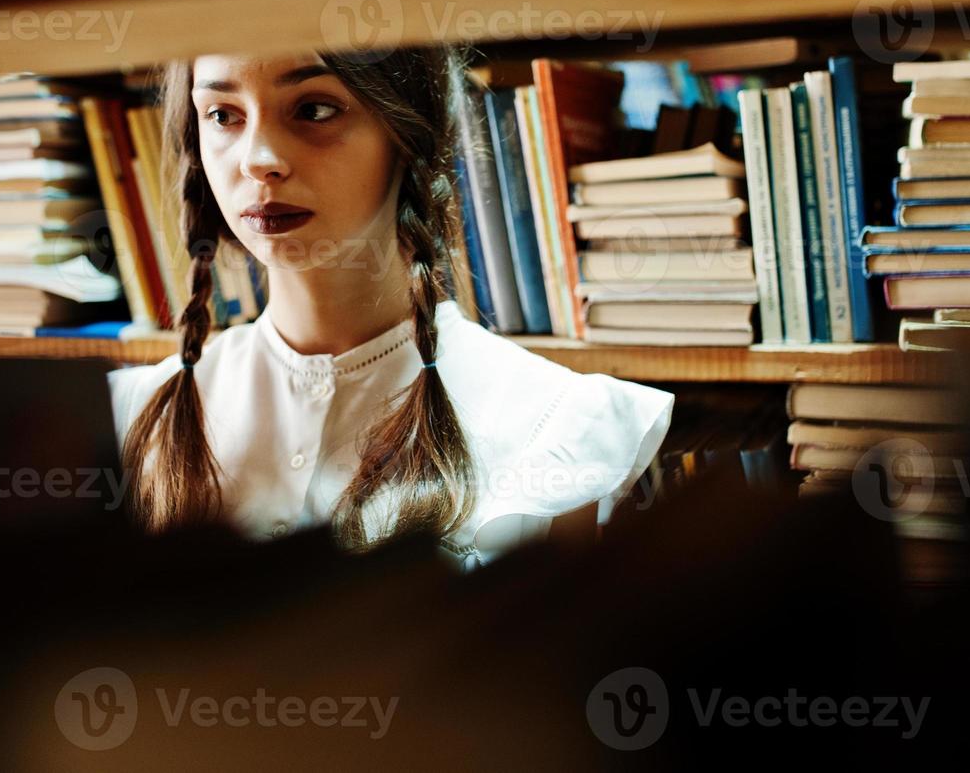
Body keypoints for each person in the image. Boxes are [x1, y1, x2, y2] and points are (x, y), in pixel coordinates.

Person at [107, 46, 675, 569]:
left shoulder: (558, 424)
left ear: (407, 133)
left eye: (315, 109)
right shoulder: (128, 420)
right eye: (223, 115)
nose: (259, 160)